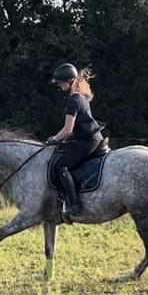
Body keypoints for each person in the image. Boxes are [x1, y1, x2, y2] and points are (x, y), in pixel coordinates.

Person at [46, 63, 104, 215]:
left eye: (60, 82)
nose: (59, 85)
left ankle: (74, 204)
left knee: (61, 167)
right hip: (90, 138)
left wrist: (54, 139)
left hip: (88, 141)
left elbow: (68, 129)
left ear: (70, 81)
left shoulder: (73, 100)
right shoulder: (81, 97)